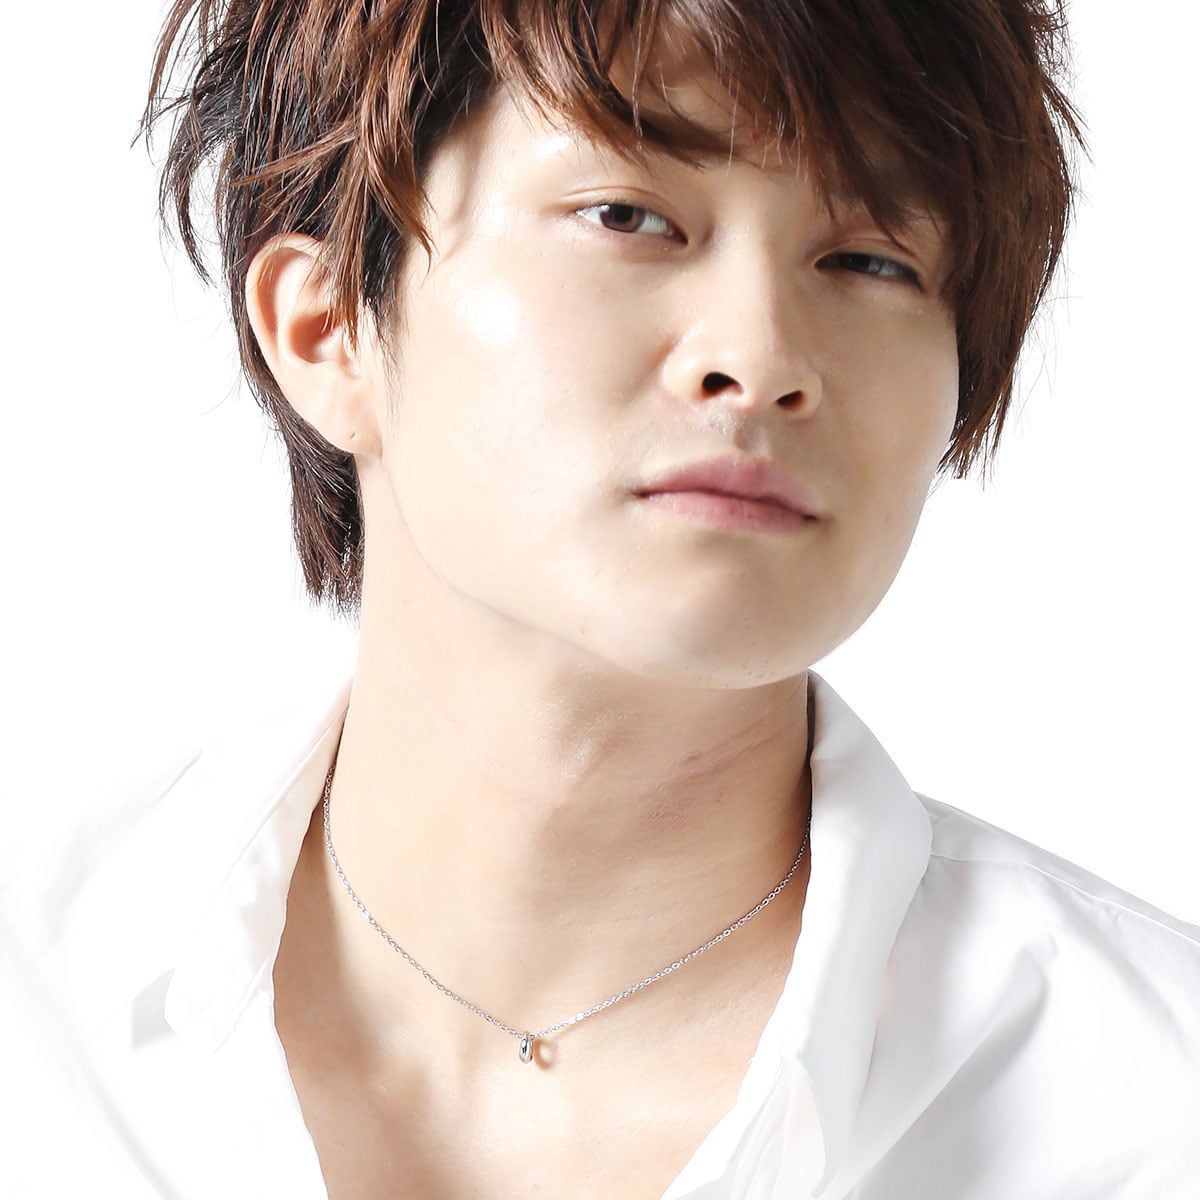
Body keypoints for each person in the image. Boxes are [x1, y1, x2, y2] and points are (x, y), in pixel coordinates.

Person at [2, 0, 1198, 1197]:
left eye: (871, 260)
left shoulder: (1149, 1109)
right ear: (326, 330)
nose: (761, 359)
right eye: (628, 217)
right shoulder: (40, 1021)